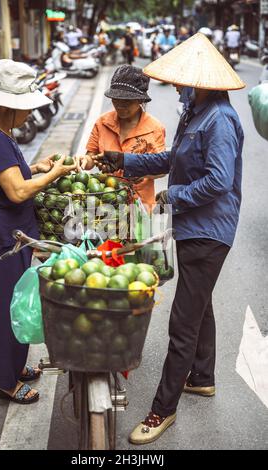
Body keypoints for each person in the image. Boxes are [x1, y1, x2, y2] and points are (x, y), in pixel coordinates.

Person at [90, 32, 245, 444]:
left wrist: (171, 195)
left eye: (181, 81)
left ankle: (163, 410)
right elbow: (171, 159)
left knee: (183, 322)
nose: (176, 87)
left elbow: (218, 181)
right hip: (196, 227)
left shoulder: (220, 121)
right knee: (201, 305)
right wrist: (125, 159)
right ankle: (203, 377)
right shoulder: (195, 114)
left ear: (200, 83)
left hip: (209, 231)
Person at [0, 60, 76, 405]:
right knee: (2, 309)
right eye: (24, 109)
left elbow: (8, 176)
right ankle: (4, 380)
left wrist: (35, 168)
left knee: (16, 301)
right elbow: (16, 191)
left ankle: (14, 367)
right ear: (6, 106)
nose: (28, 115)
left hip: (8, 233)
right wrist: (53, 174)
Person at [78, 65, 166, 212]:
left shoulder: (155, 128)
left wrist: (143, 172)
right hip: (106, 204)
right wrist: (82, 162)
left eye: (126, 102)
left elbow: (162, 168)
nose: (120, 106)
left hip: (141, 206)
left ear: (140, 100)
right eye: (116, 100)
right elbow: (90, 157)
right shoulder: (102, 123)